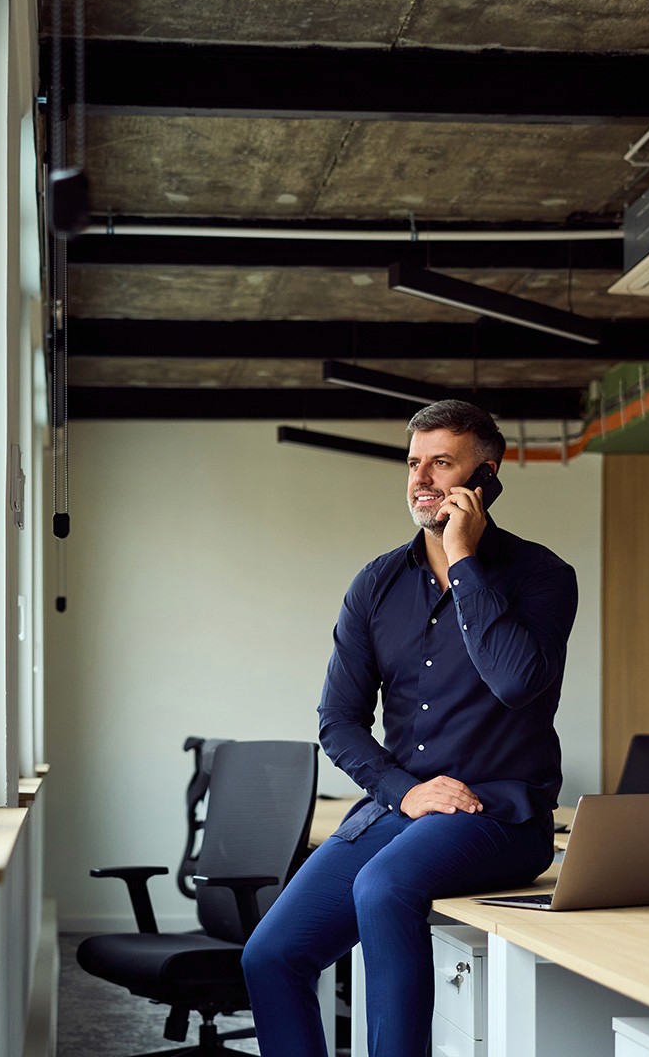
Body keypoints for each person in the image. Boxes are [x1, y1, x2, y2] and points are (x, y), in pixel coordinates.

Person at [242, 399, 578, 1057]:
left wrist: (463, 562)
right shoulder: (375, 584)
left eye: (442, 463)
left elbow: (515, 680)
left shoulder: (541, 577)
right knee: (270, 956)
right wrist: (404, 791)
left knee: (385, 885)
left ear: (484, 477)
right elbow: (337, 720)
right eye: (413, 463)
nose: (421, 478)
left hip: (501, 816)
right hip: (401, 811)